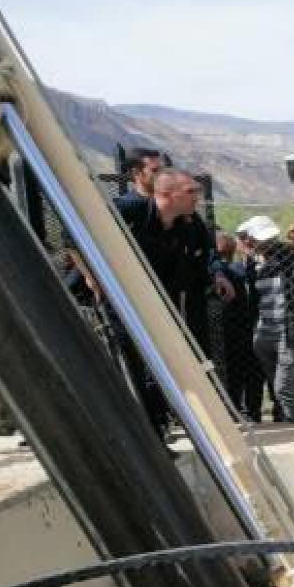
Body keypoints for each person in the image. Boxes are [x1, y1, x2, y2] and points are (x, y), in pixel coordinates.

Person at [114, 168, 235, 439]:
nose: (197, 197)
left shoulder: (188, 226)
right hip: (122, 305)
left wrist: (216, 274)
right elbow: (75, 238)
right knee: (130, 366)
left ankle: (158, 429)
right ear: (167, 194)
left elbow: (206, 255)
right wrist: (92, 279)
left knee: (166, 365)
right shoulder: (128, 213)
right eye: (190, 191)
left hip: (166, 305)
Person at [237, 216, 294, 425]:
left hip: (290, 334)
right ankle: (287, 424)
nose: (260, 244)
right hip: (265, 335)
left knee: (283, 389)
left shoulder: (291, 255)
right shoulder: (254, 263)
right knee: (278, 389)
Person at [215, 231, 265, 424]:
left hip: (230, 329)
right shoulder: (240, 270)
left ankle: (235, 408)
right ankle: (253, 411)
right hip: (247, 326)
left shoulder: (223, 272)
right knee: (252, 372)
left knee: (233, 371)